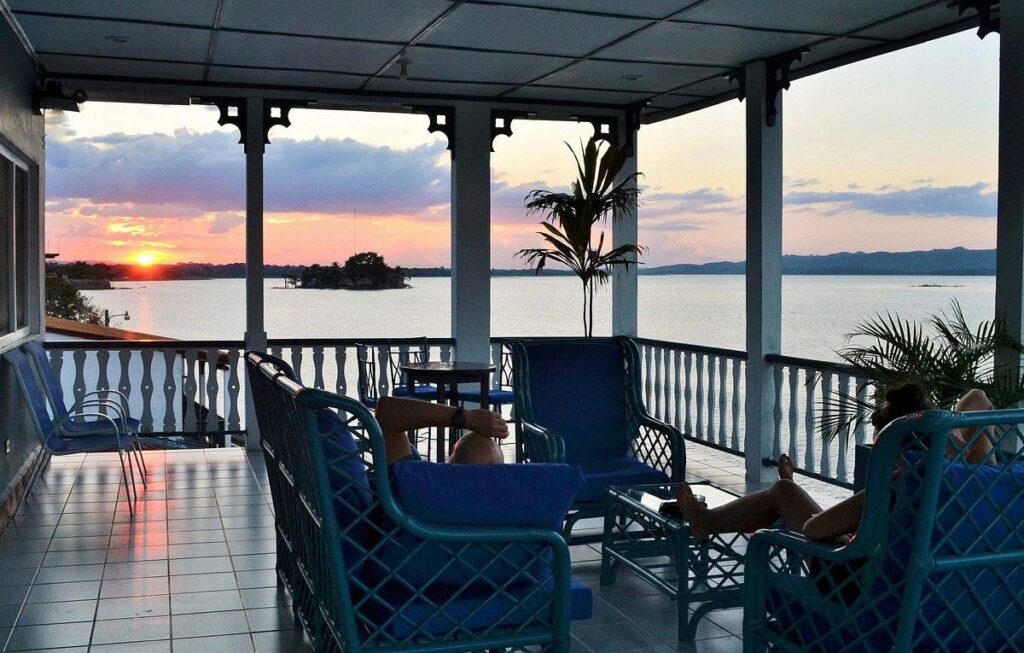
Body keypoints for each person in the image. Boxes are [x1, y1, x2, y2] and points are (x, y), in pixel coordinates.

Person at [677, 383, 996, 543]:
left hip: (861, 587)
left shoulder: (898, 487)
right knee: (785, 494)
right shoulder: (985, 477)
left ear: (893, 447)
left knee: (783, 495)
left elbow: (814, 530)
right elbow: (978, 398)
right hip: (956, 581)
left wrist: (848, 534)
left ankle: (708, 522)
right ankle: (779, 492)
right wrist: (945, 435)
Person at [374, 395, 509, 465]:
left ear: (450, 463)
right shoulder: (507, 509)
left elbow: (388, 411)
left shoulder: (411, 485)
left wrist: (468, 418)